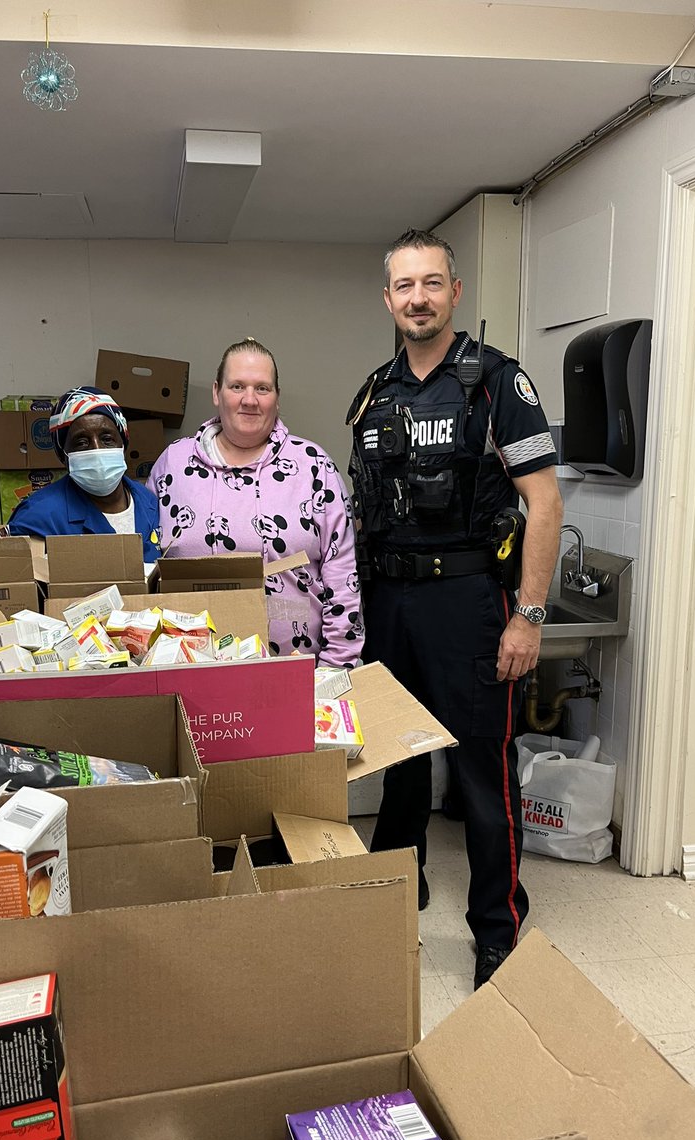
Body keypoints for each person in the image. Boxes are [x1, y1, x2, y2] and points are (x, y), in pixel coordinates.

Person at [347, 228, 563, 989]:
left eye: (432, 283)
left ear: (454, 292)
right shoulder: (378, 390)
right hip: (387, 604)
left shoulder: (497, 382)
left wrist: (527, 617)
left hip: (470, 600)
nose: (418, 298)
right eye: (405, 286)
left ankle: (496, 926)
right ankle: (400, 885)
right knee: (398, 764)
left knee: (480, 773)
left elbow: (545, 504)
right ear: (388, 298)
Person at [148, 338, 363, 667]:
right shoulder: (173, 465)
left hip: (297, 668)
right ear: (217, 392)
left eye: (262, 388)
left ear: (277, 398)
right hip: (189, 669)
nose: (250, 400)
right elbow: (147, 568)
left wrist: (335, 666)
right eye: (238, 386)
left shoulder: (313, 466)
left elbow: (342, 573)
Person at [7, 387, 162, 564]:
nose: (97, 449)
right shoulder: (38, 516)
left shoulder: (148, 501)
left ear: (123, 444)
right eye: (81, 442)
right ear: (63, 455)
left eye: (107, 439)